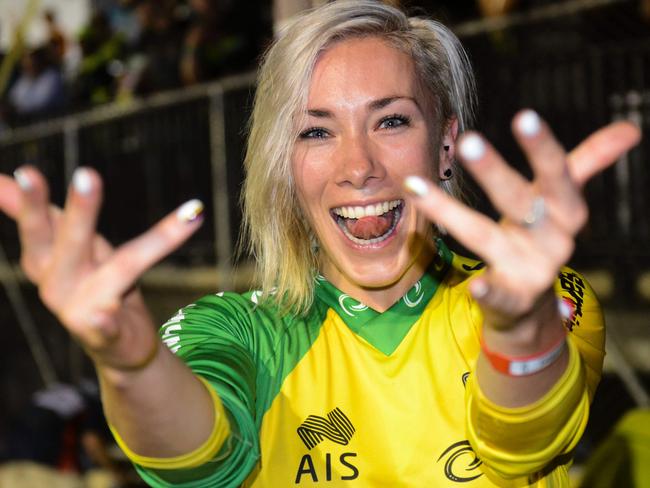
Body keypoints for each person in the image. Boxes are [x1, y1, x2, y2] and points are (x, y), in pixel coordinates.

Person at [0, 1, 641, 486]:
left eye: (391, 120)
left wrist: (522, 328)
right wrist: (129, 361)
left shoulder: (549, 297)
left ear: (445, 144)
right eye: (315, 133)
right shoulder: (234, 331)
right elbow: (195, 462)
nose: (357, 166)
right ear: (284, 165)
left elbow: (525, 443)